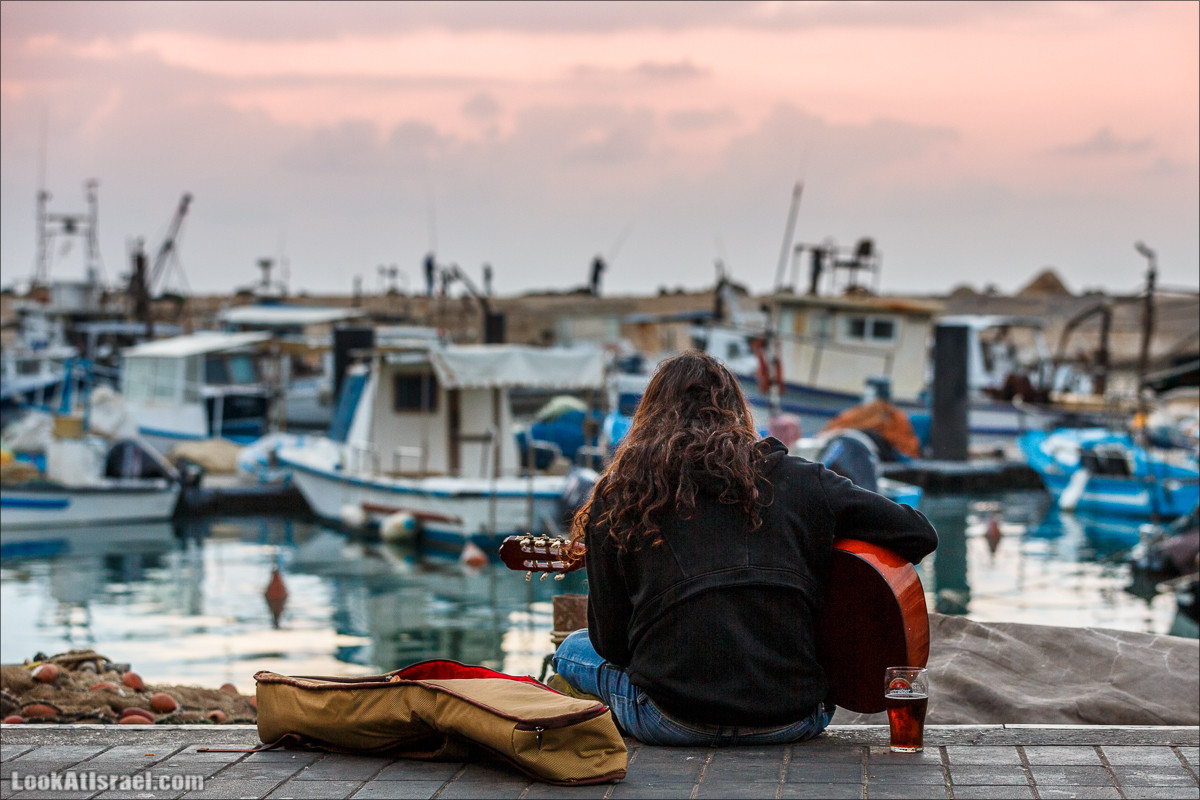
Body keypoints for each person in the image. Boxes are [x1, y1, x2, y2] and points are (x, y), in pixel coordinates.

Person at [552, 350, 937, 746]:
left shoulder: (620, 498)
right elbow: (919, 533)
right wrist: (824, 551)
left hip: (671, 720)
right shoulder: (804, 480)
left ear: (648, 418)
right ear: (738, 413)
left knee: (570, 650)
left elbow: (612, 646)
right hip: (796, 716)